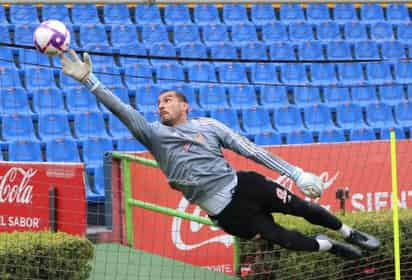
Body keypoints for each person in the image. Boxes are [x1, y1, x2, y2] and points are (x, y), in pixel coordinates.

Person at [60, 50, 380, 259]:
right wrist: (90, 80)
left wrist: (295, 173)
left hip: (246, 185)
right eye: (159, 102)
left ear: (185, 106)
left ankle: (349, 231)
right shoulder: (154, 135)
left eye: (168, 100)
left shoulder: (209, 126)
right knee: (285, 238)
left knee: (301, 208)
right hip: (226, 211)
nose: (161, 105)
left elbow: (249, 150)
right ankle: (328, 245)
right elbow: (122, 110)